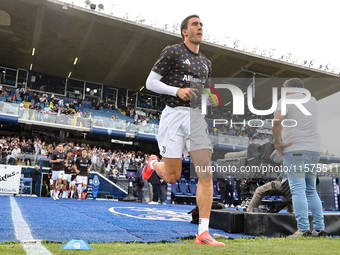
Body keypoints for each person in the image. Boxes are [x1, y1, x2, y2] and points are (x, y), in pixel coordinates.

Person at [142, 15, 224, 246]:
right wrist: (176, 90)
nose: (200, 28)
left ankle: (203, 233)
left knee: (206, 174)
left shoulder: (207, 63)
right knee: (172, 176)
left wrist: (209, 98)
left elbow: (202, 89)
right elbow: (151, 82)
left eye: (201, 25)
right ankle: (151, 165)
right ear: (184, 32)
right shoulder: (172, 52)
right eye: (195, 25)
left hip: (196, 118)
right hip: (174, 115)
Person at [272, 78, 327, 238]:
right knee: (311, 190)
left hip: (295, 149)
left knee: (297, 190)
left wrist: (277, 143)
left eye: (283, 87)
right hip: (314, 150)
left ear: (289, 88)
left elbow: (277, 120)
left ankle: (303, 230)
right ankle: (319, 229)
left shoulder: (286, 99)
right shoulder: (313, 101)